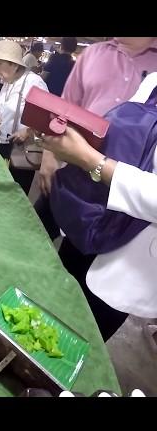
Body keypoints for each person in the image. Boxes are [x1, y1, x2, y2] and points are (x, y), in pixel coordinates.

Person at [39, 74, 157, 341]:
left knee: (69, 343)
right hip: (88, 219)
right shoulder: (152, 82)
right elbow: (124, 143)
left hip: (129, 259)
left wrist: (91, 159)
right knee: (43, 309)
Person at [36, 37, 157, 242]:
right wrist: (48, 156)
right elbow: (64, 107)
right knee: (35, 234)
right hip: (71, 169)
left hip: (126, 189)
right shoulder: (92, 54)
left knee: (83, 263)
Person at [0, 39, 49, 194]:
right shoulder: (7, 81)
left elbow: (49, 118)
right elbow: (5, 108)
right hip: (2, 144)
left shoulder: (34, 83)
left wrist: (28, 131)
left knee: (14, 192)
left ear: (14, 65)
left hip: (21, 151)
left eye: (0, 63)